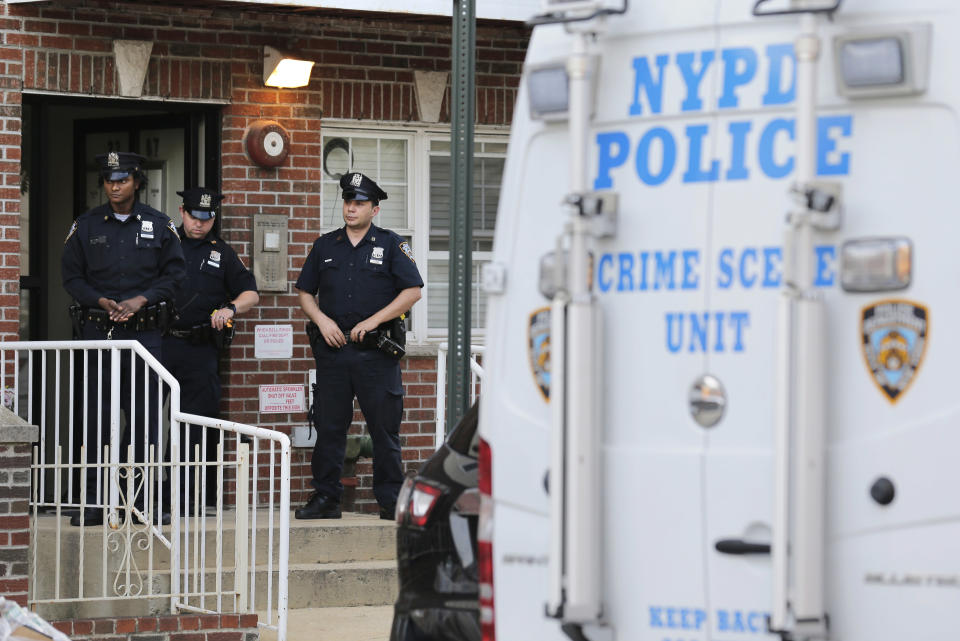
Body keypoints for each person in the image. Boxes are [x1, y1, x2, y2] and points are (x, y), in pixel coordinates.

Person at [61, 151, 185, 526]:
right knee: (97, 419)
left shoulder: (159, 225)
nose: (114, 186)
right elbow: (71, 277)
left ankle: (143, 501)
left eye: (122, 179)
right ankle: (98, 499)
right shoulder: (85, 226)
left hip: (145, 333)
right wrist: (99, 300)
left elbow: (176, 276)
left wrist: (140, 299)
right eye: (108, 180)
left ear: (136, 181)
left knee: (146, 420)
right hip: (100, 331)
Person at [294, 171, 423, 520]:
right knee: (330, 428)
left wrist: (374, 320)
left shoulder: (391, 245)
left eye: (360, 203)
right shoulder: (325, 245)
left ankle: (389, 501)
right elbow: (306, 292)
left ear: (374, 210)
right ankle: (326, 498)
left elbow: (412, 291)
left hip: (375, 353)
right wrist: (322, 320)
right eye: (348, 201)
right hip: (334, 352)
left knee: (384, 430)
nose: (351, 208)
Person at [162, 187, 259, 514]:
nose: (199, 224)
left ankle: (189, 497)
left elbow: (250, 293)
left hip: (199, 348)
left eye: (206, 219)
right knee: (144, 419)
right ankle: (147, 496)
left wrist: (230, 308)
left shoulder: (222, 252)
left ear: (213, 218)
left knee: (197, 423)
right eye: (193, 217)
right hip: (159, 343)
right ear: (182, 212)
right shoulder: (163, 243)